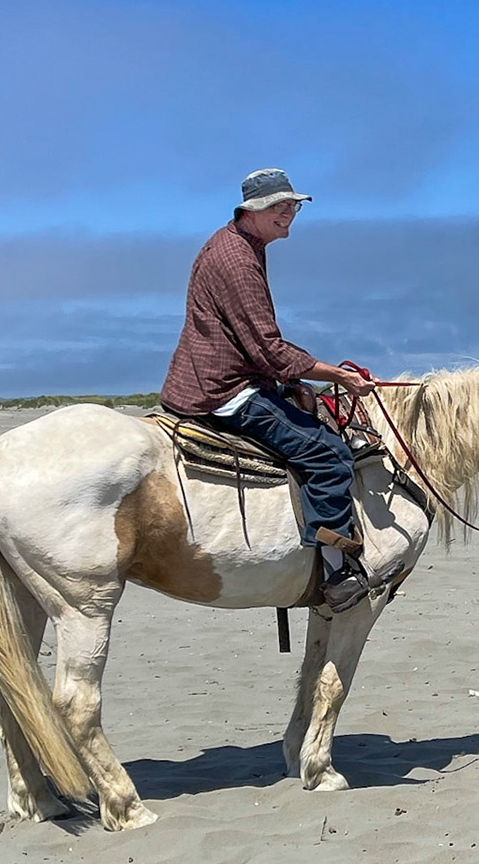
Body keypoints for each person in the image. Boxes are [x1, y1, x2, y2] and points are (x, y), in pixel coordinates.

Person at [159, 168, 380, 613]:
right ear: (252, 211)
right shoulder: (238, 260)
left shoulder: (240, 245)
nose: (288, 214)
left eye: (293, 206)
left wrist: (292, 379)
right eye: (279, 207)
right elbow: (269, 347)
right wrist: (336, 375)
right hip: (224, 389)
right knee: (328, 453)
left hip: (219, 374)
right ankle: (337, 574)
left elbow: (259, 345)